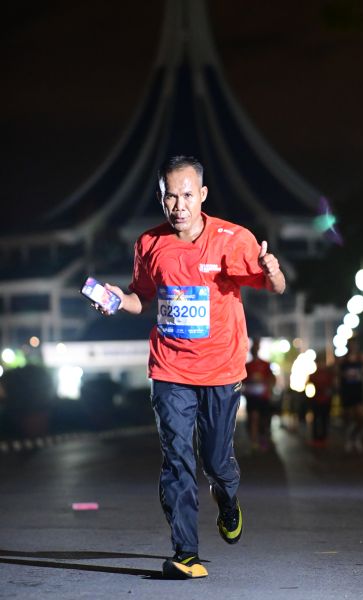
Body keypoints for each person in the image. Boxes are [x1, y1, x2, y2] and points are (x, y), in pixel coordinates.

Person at [102, 155, 285, 579]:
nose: (179, 205)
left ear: (202, 195)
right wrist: (117, 300)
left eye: (187, 195)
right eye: (170, 196)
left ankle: (228, 498)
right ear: (160, 198)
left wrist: (273, 271)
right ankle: (186, 552)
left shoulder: (232, 239)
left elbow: (274, 285)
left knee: (217, 461)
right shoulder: (149, 244)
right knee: (177, 459)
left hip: (222, 368)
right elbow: (140, 297)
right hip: (169, 369)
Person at [337, 336, 363, 454]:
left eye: (354, 344)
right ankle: (348, 439)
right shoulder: (343, 359)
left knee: (360, 415)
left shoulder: (362, 358)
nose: (352, 347)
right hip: (346, 391)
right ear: (348, 346)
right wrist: (344, 375)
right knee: (347, 416)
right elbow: (337, 373)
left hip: (358, 390)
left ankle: (357, 438)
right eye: (350, 344)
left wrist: (362, 372)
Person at [243, 337, 276, 452]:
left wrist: (268, 387)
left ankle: (263, 439)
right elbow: (243, 380)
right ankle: (254, 443)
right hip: (252, 396)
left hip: (263, 396)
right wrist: (250, 381)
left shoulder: (265, 364)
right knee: (253, 418)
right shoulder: (247, 365)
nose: (255, 350)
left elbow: (272, 378)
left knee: (264, 419)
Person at [307, 354, 335, 447]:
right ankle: (316, 438)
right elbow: (309, 387)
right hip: (316, 400)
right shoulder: (313, 375)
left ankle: (323, 438)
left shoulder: (329, 375)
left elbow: (332, 386)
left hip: (326, 400)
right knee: (316, 419)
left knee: (325, 419)